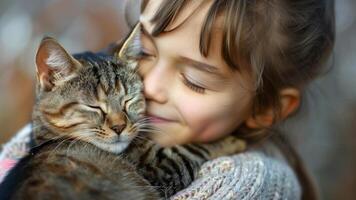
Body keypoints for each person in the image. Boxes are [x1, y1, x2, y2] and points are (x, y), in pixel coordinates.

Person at [0, 0, 335, 199]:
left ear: (266, 109)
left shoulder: (245, 184)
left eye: (195, 80)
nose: (152, 88)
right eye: (144, 53)